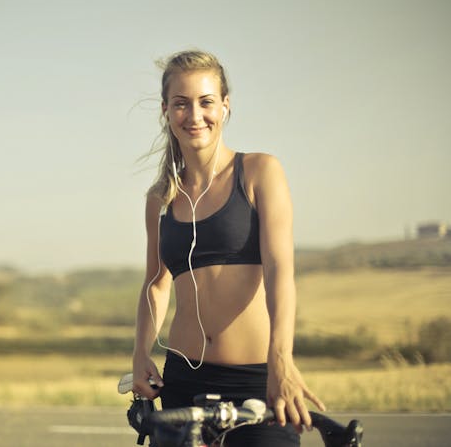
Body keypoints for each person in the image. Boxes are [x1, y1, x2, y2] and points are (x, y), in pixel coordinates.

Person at [131, 50, 325, 446]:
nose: (194, 115)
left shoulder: (259, 172)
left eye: (206, 102)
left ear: (225, 106)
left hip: (256, 378)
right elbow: (155, 283)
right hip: (182, 379)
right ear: (166, 111)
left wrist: (281, 361)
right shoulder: (160, 198)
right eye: (181, 104)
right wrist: (139, 352)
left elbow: (279, 270)